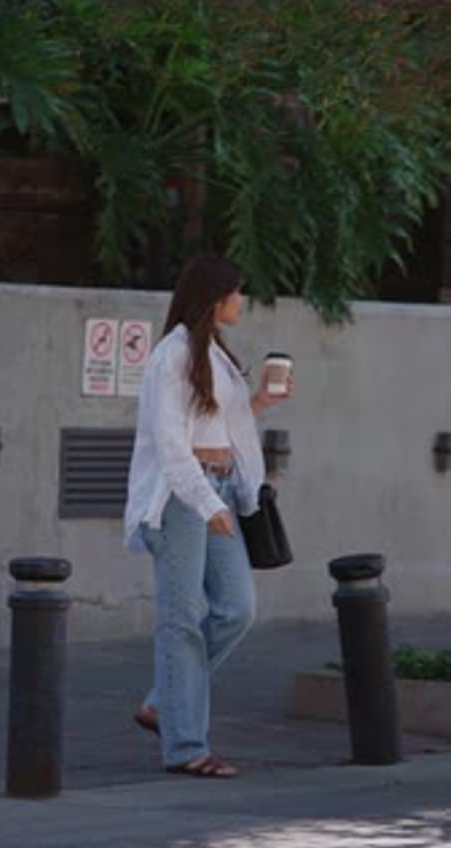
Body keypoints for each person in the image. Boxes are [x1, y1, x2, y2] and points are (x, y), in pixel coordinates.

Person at [124, 255, 291, 778]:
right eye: (236, 293)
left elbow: (219, 424)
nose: (242, 301)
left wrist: (259, 400)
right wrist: (208, 503)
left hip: (217, 488)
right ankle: (185, 746)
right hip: (181, 497)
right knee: (180, 622)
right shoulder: (170, 356)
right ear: (214, 298)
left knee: (237, 608)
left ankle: (161, 703)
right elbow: (173, 446)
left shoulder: (213, 352)